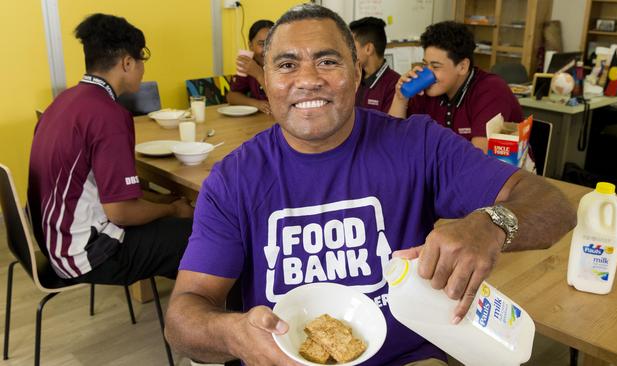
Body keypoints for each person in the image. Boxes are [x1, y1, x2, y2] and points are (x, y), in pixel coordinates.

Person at [165, 4, 575, 366]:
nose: (308, 79)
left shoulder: (417, 143)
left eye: (328, 61)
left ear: (358, 72)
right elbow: (184, 317)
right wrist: (234, 334)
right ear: (266, 81)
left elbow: (553, 205)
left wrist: (491, 224)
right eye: (287, 65)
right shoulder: (233, 178)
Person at [28, 13, 194, 285]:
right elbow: (121, 212)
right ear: (127, 62)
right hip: (87, 254)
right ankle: (202, 314)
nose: (142, 68)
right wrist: (173, 210)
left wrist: (167, 202)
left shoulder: (64, 101)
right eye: (142, 59)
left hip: (56, 240)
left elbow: (111, 192)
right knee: (205, 235)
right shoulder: (108, 115)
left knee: (178, 232)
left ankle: (187, 300)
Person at [388, 21, 523, 153]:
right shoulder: (428, 90)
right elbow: (391, 140)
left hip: (494, 172)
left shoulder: (491, 90)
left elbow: (478, 159)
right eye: (425, 65)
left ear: (462, 66)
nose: (427, 73)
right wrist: (400, 99)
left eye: (435, 66)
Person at [349, 16, 401, 113]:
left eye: (352, 46)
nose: (348, 51)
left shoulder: (396, 86)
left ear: (368, 49)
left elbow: (389, 125)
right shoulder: (354, 77)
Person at [226, 19, 274, 115]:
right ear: (250, 46)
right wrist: (256, 103)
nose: (267, 50)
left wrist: (259, 74)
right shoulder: (251, 65)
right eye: (261, 44)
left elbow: (280, 101)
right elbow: (232, 96)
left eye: (271, 43)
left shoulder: (286, 65)